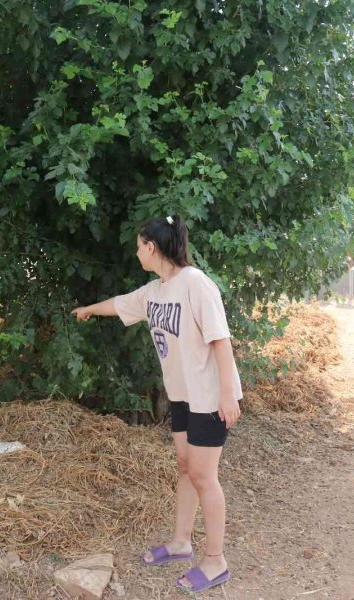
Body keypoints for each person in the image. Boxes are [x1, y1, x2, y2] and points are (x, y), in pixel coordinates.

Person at [71, 215, 242, 593]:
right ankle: (181, 542)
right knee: (185, 468)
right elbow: (119, 304)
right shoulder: (156, 291)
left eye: (138, 246)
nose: (136, 252)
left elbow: (221, 340)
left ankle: (216, 561)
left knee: (202, 475)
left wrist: (228, 394)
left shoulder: (196, 284)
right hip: (183, 395)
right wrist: (88, 309)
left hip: (210, 396)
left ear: (152, 247)